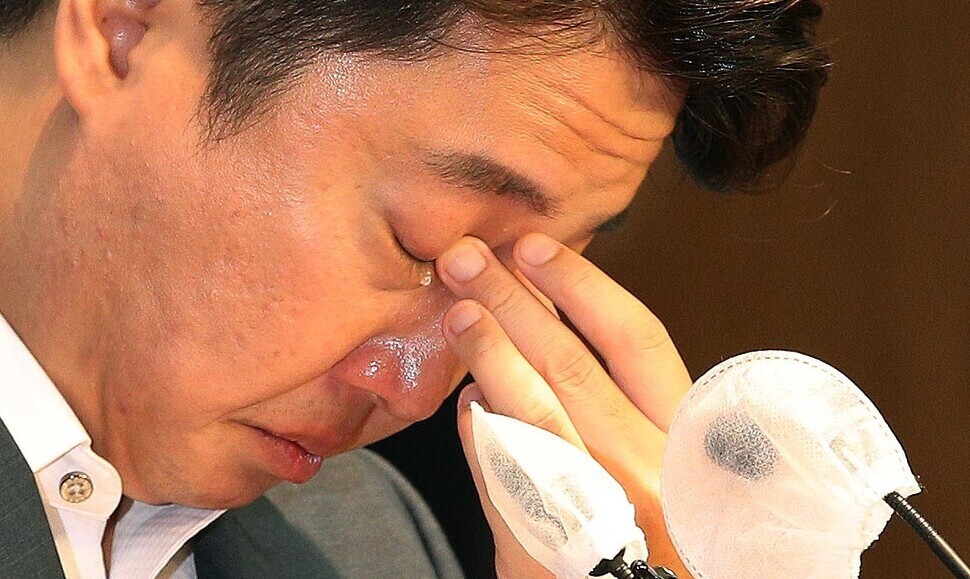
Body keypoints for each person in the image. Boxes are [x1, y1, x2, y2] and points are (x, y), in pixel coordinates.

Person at [0, 0, 828, 577]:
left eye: (512, 288)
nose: (420, 389)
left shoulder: (372, 542)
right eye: (419, 245)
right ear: (123, 27)